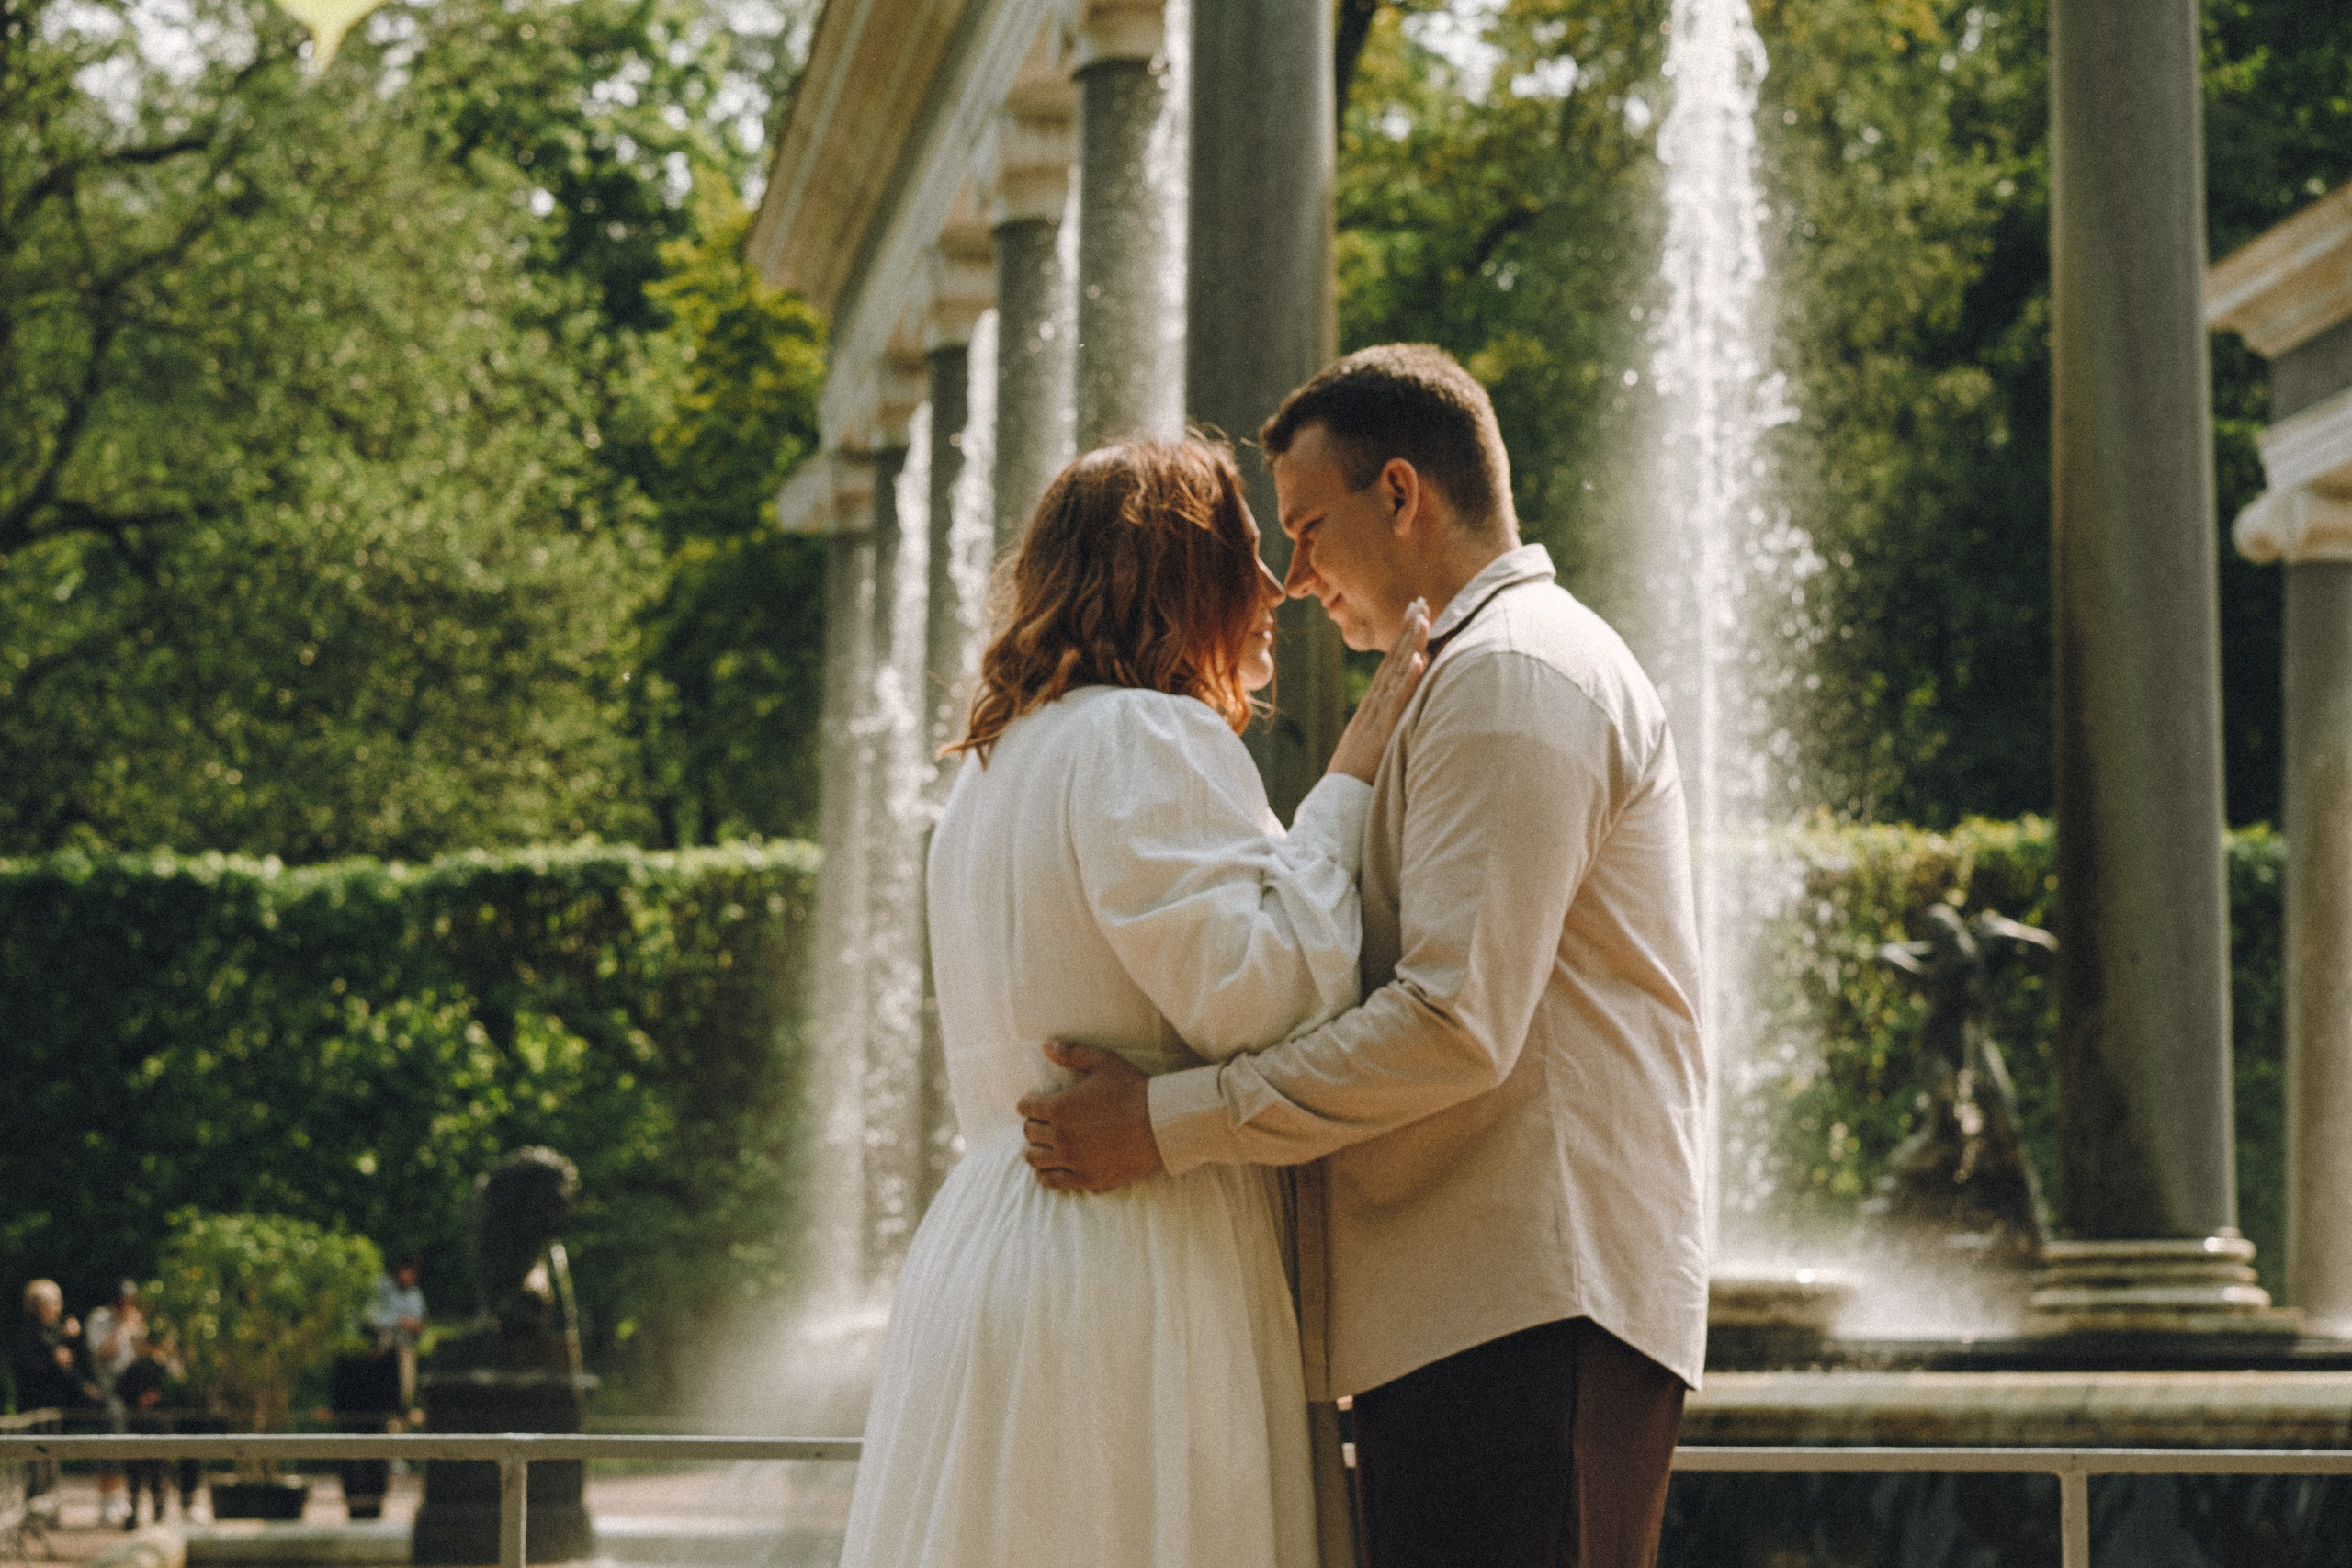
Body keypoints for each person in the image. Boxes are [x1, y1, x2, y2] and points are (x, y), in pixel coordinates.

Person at [1020, 345, 1710, 1568]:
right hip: (1485, 1308)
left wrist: (1168, 1123)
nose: (1290, 580)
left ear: (1402, 494)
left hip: (1525, 1310)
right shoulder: (1472, 674)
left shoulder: (1511, 673)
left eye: (1308, 528)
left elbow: (1452, 1021)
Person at [831, 438, 1430, 1568]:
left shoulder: (998, 766)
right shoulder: (1146, 734)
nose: (1274, 591)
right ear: (1173, 574)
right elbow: (1269, 993)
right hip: (1138, 1256)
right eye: (1243, 558)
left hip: (993, 1246)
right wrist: (1346, 787)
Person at [85, 1280, 146, 1526]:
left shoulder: (137, 1320)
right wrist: (122, 1327)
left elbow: (143, 1355)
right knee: (113, 1431)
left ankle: (126, 1496)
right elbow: (102, 1355)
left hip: (133, 1388)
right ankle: (107, 1498)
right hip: (107, 1388)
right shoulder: (99, 1319)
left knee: (138, 1436)